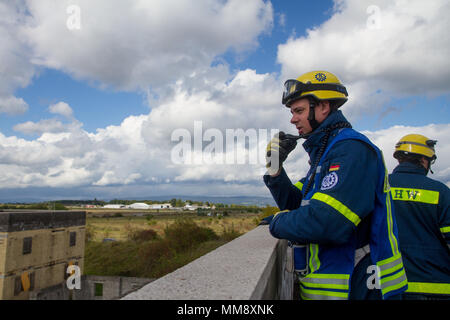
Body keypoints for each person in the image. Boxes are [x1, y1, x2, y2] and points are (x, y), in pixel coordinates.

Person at [262, 70, 407, 300]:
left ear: (323, 107)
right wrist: (275, 168)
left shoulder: (350, 149)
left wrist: (279, 221)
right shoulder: (325, 154)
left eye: (299, 111)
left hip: (360, 288)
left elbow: (328, 223)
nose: (292, 119)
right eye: (292, 113)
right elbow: (295, 202)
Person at [389, 134, 450, 300]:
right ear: (424, 160)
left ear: (399, 159)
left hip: (388, 285)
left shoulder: (379, 188)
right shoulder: (440, 192)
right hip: (436, 286)